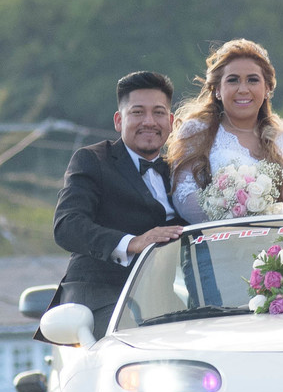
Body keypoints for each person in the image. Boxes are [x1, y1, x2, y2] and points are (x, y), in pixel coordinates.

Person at [52, 70, 186, 333]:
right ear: (118, 120)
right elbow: (67, 226)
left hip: (162, 300)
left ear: (171, 122)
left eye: (158, 113)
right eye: (138, 112)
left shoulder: (181, 171)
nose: (149, 121)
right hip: (98, 298)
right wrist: (132, 242)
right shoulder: (92, 160)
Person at [167, 38, 283, 222]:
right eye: (233, 80)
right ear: (217, 89)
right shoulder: (196, 130)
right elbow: (184, 199)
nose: (243, 89)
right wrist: (242, 216)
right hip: (225, 237)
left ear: (267, 88)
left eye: (252, 80)